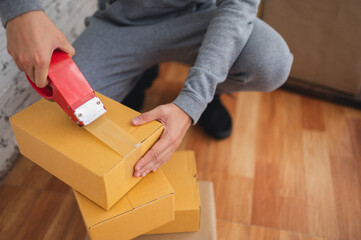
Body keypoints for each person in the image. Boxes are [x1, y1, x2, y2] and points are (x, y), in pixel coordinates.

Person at [0, 0, 293, 178]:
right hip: (122, 23)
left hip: (202, 18)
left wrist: (194, 100)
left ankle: (209, 92)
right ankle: (142, 73)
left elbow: (239, 6)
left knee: (270, 60)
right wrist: (20, 10)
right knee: (64, 115)